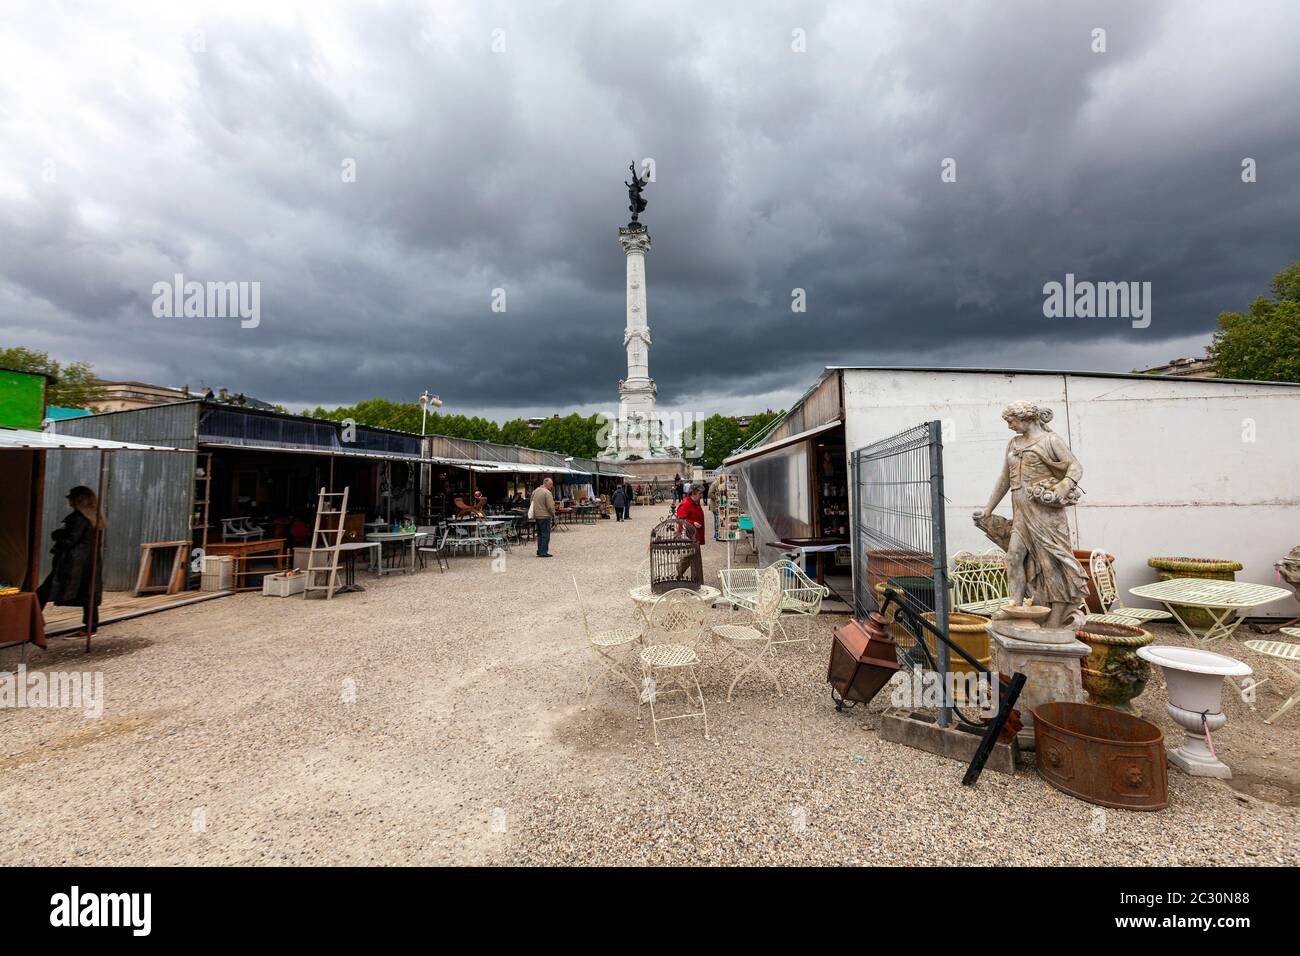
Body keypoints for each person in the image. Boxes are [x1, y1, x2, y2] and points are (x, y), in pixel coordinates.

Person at [36, 485, 105, 634]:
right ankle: (90, 627)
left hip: (73, 564)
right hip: (89, 562)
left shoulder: (78, 519)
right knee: (89, 593)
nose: (69, 501)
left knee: (42, 592)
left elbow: (69, 541)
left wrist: (57, 534)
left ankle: (34, 623)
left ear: (77, 500)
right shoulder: (94, 518)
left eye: (71, 498)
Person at [531, 478, 556, 557]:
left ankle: (539, 550)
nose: (551, 486)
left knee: (540, 534)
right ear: (546, 484)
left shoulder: (535, 491)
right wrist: (553, 514)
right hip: (545, 516)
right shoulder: (547, 493)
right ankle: (543, 552)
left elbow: (531, 502)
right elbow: (550, 506)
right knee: (545, 534)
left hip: (537, 516)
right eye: (550, 484)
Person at [709, 471, 726, 541]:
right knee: (717, 521)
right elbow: (710, 494)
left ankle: (718, 534)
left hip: (721, 505)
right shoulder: (715, 484)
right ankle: (717, 535)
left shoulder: (721, 484)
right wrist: (717, 498)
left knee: (720, 520)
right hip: (716, 506)